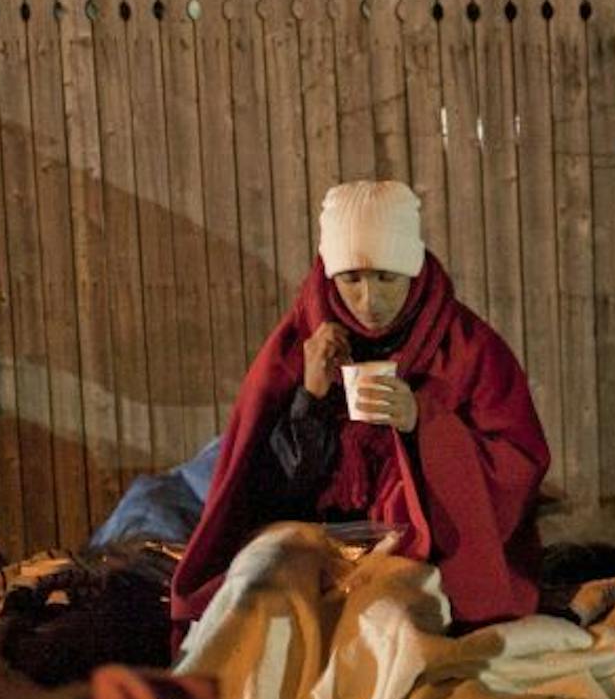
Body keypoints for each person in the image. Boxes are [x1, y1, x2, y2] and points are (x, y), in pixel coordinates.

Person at [169, 180, 551, 634]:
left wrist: (425, 423)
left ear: (412, 272)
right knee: (255, 602)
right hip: (317, 545)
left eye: (385, 278)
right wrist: (308, 399)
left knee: (393, 619)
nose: (369, 301)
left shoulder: (468, 348)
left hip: (426, 551)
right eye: (351, 280)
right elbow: (258, 493)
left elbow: (518, 466)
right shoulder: (298, 345)